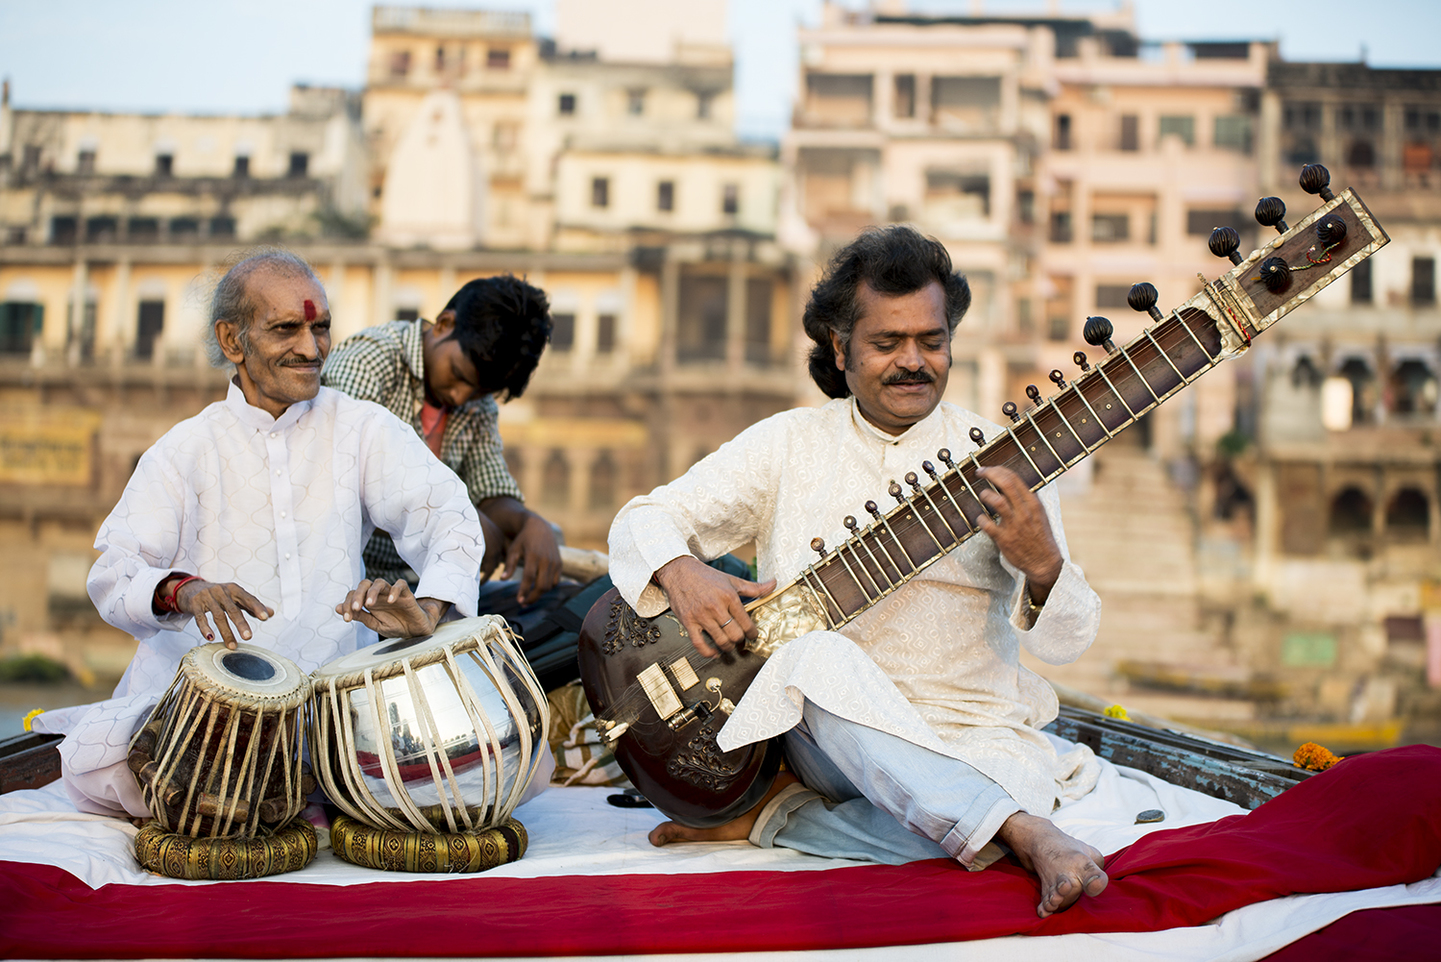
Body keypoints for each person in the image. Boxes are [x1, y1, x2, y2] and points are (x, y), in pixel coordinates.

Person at [607, 226, 1108, 918]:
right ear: (840, 348)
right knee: (814, 655)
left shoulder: (1005, 462)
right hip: (834, 741)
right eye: (886, 343)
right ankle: (1019, 830)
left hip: (972, 735)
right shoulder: (787, 444)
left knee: (996, 797)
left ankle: (773, 820)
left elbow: (1066, 645)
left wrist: (1044, 565)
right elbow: (639, 519)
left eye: (931, 342)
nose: (913, 362)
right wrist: (681, 568)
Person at [34, 249, 555, 819]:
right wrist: (182, 591)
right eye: (287, 328)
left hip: (334, 715)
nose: (311, 348)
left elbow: (449, 514)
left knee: (510, 761)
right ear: (232, 341)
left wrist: (429, 608)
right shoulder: (184, 451)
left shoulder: (360, 429)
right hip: (204, 719)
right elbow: (114, 573)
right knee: (102, 759)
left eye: (321, 326)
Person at [321, 276, 562, 610]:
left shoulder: (478, 403)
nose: (461, 396)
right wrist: (460, 517)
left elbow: (488, 489)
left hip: (423, 586)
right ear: (444, 324)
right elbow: (340, 486)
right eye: (460, 375)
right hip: (349, 587)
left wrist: (529, 523)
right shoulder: (368, 364)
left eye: (479, 391)